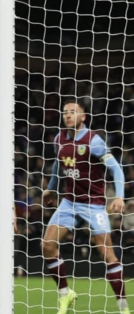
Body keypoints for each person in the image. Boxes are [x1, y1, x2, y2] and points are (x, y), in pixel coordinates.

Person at [42, 101, 128, 314]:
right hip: (69, 202)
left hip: (94, 204)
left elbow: (116, 169)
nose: (68, 116)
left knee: (107, 254)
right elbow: (57, 164)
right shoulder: (58, 139)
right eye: (65, 113)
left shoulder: (94, 141)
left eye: (73, 112)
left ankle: (123, 307)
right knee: (47, 246)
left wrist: (119, 197)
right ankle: (65, 294)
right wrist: (52, 189)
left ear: (83, 118)